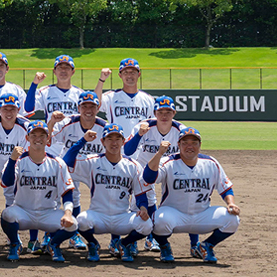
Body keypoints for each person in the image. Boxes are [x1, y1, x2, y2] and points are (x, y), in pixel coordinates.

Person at [147, 127, 241, 264]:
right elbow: (149, 178)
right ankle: (164, 246)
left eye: (194, 143)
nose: (189, 146)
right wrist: (159, 154)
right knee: (159, 220)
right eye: (185, 143)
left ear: (200, 145)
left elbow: (225, 187)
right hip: (174, 214)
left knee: (232, 219)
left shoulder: (211, 163)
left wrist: (230, 203)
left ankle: (206, 246)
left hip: (201, 215)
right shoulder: (168, 162)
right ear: (178, 145)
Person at [64, 124, 155, 262]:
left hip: (122, 217)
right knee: (81, 221)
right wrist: (83, 140)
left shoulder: (133, 166)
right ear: (102, 142)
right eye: (109, 138)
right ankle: (93, 244)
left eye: (118, 139)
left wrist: (143, 208)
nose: (114, 142)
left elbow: (140, 193)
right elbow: (67, 162)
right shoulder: (92, 161)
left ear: (123, 142)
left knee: (147, 225)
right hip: (98, 215)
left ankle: (124, 244)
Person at [0, 120, 78, 262]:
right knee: (7, 215)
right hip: (23, 212)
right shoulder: (18, 160)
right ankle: (15, 243)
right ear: (27, 138)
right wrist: (11, 160)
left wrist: (67, 213)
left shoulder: (58, 163)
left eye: (42, 135)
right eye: (33, 135)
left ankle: (53, 245)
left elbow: (67, 192)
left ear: (48, 139)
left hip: (48, 213)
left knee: (74, 224)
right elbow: (7, 182)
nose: (38, 139)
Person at [123, 95, 192, 254]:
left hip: (170, 168)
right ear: (155, 112)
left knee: (185, 197)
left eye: (168, 111)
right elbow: (127, 151)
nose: (164, 115)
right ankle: (143, 239)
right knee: (142, 200)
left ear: (174, 113)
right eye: (161, 111)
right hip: (145, 168)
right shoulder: (144, 126)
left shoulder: (181, 130)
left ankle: (192, 243)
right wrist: (139, 135)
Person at [47, 90, 108, 251]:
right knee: (72, 196)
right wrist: (51, 122)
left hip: (95, 167)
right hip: (70, 165)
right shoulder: (68, 123)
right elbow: (48, 140)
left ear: (98, 108)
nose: (88, 110)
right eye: (84, 106)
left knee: (110, 196)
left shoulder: (104, 126)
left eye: (92, 106)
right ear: (78, 108)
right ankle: (71, 235)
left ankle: (114, 238)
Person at [98, 58, 155, 138]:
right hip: (117, 146)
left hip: (142, 147)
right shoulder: (111, 97)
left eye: (133, 72)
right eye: (125, 72)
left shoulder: (149, 99)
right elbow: (95, 104)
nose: (129, 76)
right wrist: (101, 80)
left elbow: (155, 124)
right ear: (120, 75)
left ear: (139, 75)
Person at [35, 55, 85, 123]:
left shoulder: (80, 94)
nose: (63, 70)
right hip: (52, 132)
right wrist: (34, 84)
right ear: (54, 71)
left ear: (73, 72)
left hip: (74, 133)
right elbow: (28, 108)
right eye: (60, 67)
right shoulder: (44, 92)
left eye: (67, 68)